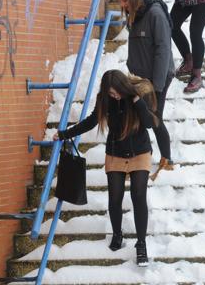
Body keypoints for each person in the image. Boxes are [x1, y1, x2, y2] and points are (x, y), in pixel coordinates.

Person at [53, 70, 157, 267]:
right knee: (114, 197)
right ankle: (117, 234)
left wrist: (136, 100)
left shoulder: (136, 95)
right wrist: (65, 134)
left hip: (140, 152)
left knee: (138, 195)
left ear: (123, 87)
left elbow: (149, 124)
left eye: (116, 92)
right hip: (116, 153)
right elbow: (92, 121)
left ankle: (141, 244)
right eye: (110, 93)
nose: (114, 96)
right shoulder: (105, 100)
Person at [112, 0, 175, 174]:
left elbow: (163, 49)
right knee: (136, 115)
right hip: (139, 76)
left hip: (158, 77)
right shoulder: (135, 15)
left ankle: (167, 159)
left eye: (123, 0)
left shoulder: (155, 14)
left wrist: (156, 86)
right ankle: (135, 160)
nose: (122, 4)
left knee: (153, 118)